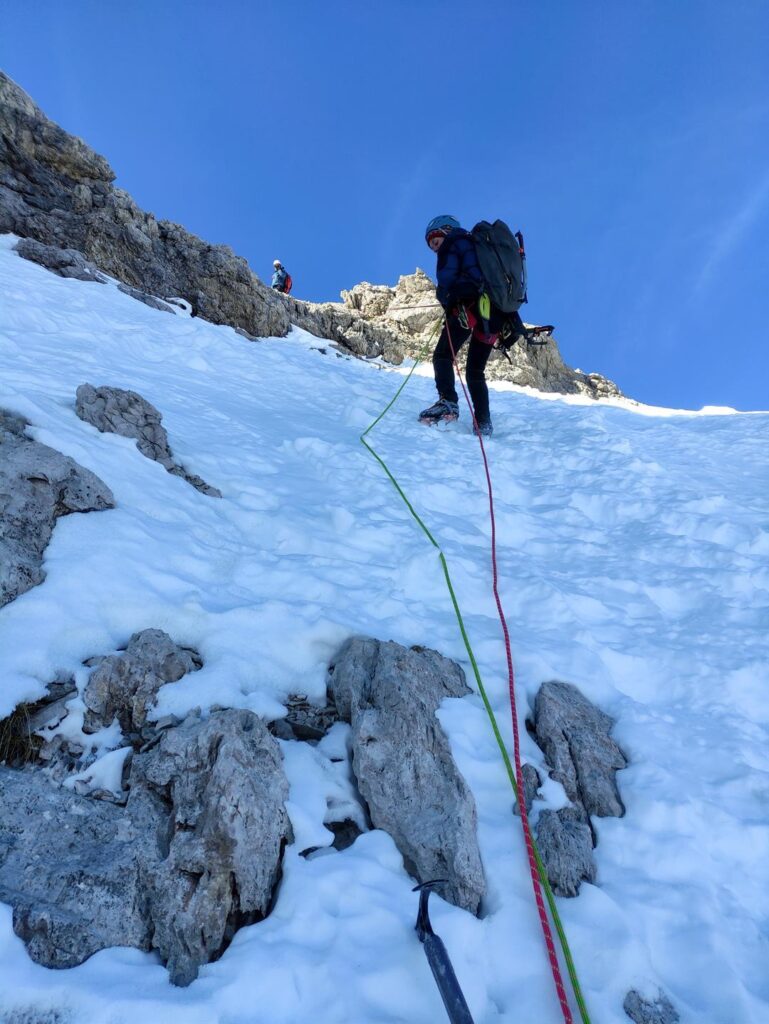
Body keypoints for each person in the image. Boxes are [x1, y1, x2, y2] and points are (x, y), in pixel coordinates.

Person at [419, 216, 502, 437]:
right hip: (495, 315)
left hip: (468, 308)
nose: (436, 249)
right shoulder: (478, 247)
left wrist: (445, 297)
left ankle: (448, 402)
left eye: (435, 242)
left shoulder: (453, 242)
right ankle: (483, 422)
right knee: (475, 370)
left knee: (443, 355)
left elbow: (447, 279)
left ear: (446, 231)